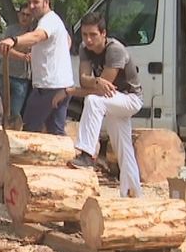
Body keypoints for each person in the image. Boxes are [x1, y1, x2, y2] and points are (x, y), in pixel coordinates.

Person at [58, 12, 145, 197]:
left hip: (130, 99)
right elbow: (85, 81)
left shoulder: (115, 50)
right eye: (84, 35)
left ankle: (87, 154)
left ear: (103, 34)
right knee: (123, 148)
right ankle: (134, 194)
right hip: (112, 100)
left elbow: (99, 91)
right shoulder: (84, 48)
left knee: (93, 101)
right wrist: (96, 81)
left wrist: (72, 91)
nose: (88, 40)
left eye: (93, 35)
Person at [0, 0, 73, 135]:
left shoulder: (48, 21)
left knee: (29, 131)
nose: (31, 6)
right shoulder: (54, 21)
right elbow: (67, 40)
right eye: (29, 3)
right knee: (55, 132)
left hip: (48, 87)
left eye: (36, 2)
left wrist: (14, 40)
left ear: (46, 2)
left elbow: (37, 36)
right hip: (61, 85)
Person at [2, 3, 34, 128]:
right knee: (3, 110)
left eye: (28, 15)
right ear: (19, 14)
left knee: (16, 112)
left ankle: (12, 133)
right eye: (23, 14)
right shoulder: (11, 30)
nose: (24, 17)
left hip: (22, 78)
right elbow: (5, 49)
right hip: (6, 74)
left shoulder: (34, 33)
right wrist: (22, 56)